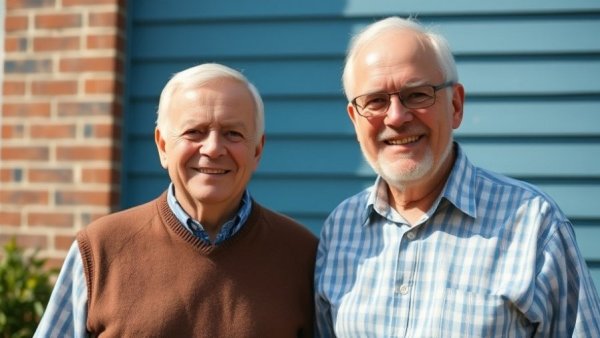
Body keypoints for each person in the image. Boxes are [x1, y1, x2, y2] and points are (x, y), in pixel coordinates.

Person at [314, 16, 600, 337]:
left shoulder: (534, 225)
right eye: (376, 101)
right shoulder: (340, 228)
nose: (396, 117)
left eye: (418, 94)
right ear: (355, 120)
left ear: (456, 105)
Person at [35, 63, 318, 337]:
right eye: (194, 132)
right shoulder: (99, 250)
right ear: (162, 146)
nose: (213, 148)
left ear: (257, 149)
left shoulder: (302, 256)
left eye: (233, 133)